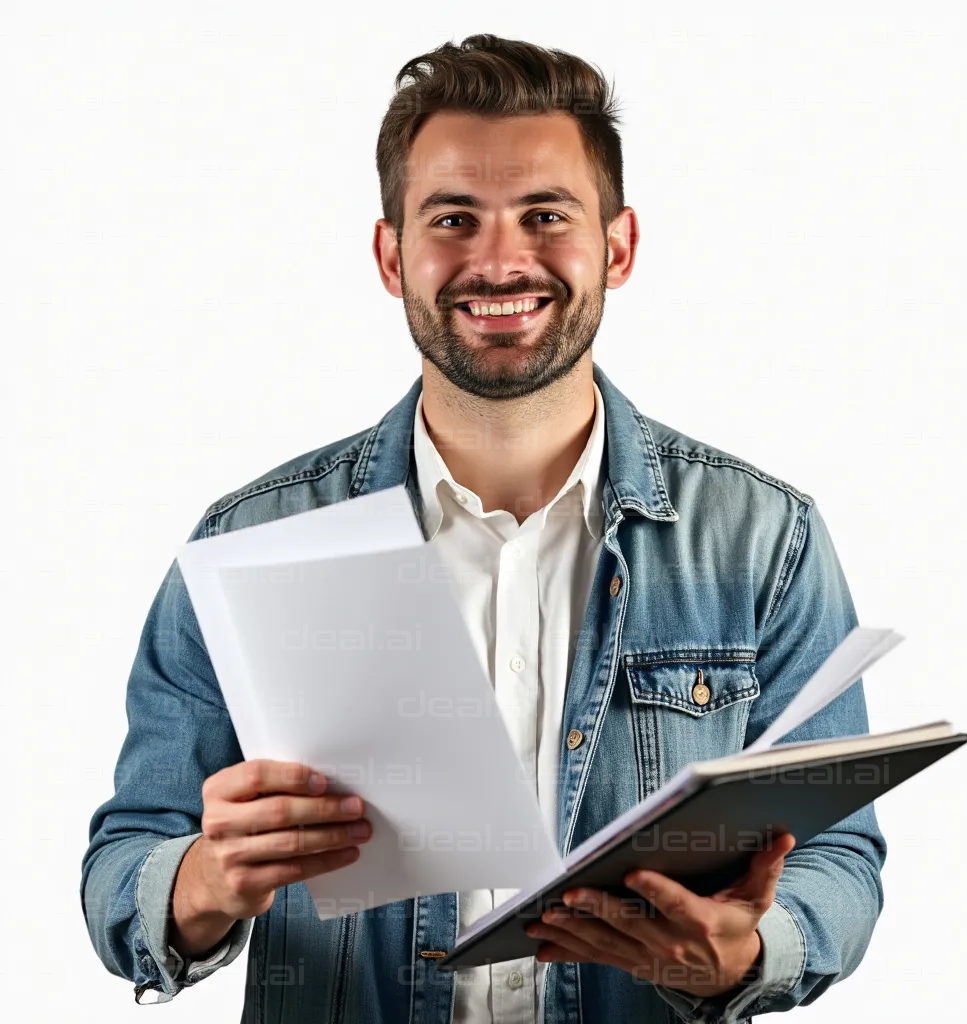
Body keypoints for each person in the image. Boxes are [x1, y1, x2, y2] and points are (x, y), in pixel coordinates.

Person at [81, 34, 885, 1024]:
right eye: (452, 218)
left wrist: (752, 948)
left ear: (618, 246)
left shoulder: (763, 539)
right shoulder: (255, 539)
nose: (499, 259)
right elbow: (125, 864)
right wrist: (206, 880)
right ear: (392, 256)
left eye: (545, 215)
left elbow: (840, 854)